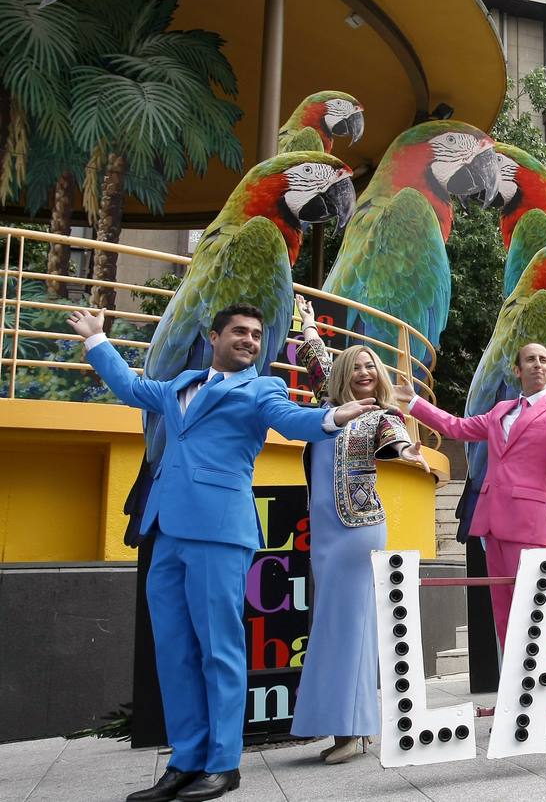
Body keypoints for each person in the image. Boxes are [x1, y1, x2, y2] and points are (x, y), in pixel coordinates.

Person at [68, 306, 378, 802]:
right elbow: (129, 388)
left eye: (257, 334)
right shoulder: (178, 385)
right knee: (173, 651)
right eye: (240, 332)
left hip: (219, 531)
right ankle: (185, 760)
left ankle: (223, 763)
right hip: (166, 528)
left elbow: (291, 420)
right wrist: (97, 340)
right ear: (214, 336)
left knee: (219, 649)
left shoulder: (262, 389)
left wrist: (331, 416)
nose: (251, 340)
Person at [395, 342, 546, 735]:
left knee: (540, 614)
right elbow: (456, 428)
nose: (539, 365)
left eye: (544, 359)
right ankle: (524, 697)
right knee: (506, 617)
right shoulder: (500, 411)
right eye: (531, 360)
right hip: (491, 522)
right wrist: (415, 405)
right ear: (517, 370)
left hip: (530, 524)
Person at [289, 297, 429, 763]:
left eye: (371, 366)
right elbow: (317, 360)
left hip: (356, 532)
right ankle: (350, 725)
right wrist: (309, 326)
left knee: (345, 628)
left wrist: (409, 452)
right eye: (356, 367)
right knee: (337, 626)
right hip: (326, 535)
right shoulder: (327, 410)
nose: (364, 373)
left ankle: (350, 732)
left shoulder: (378, 415)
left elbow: (396, 438)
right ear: (343, 374)